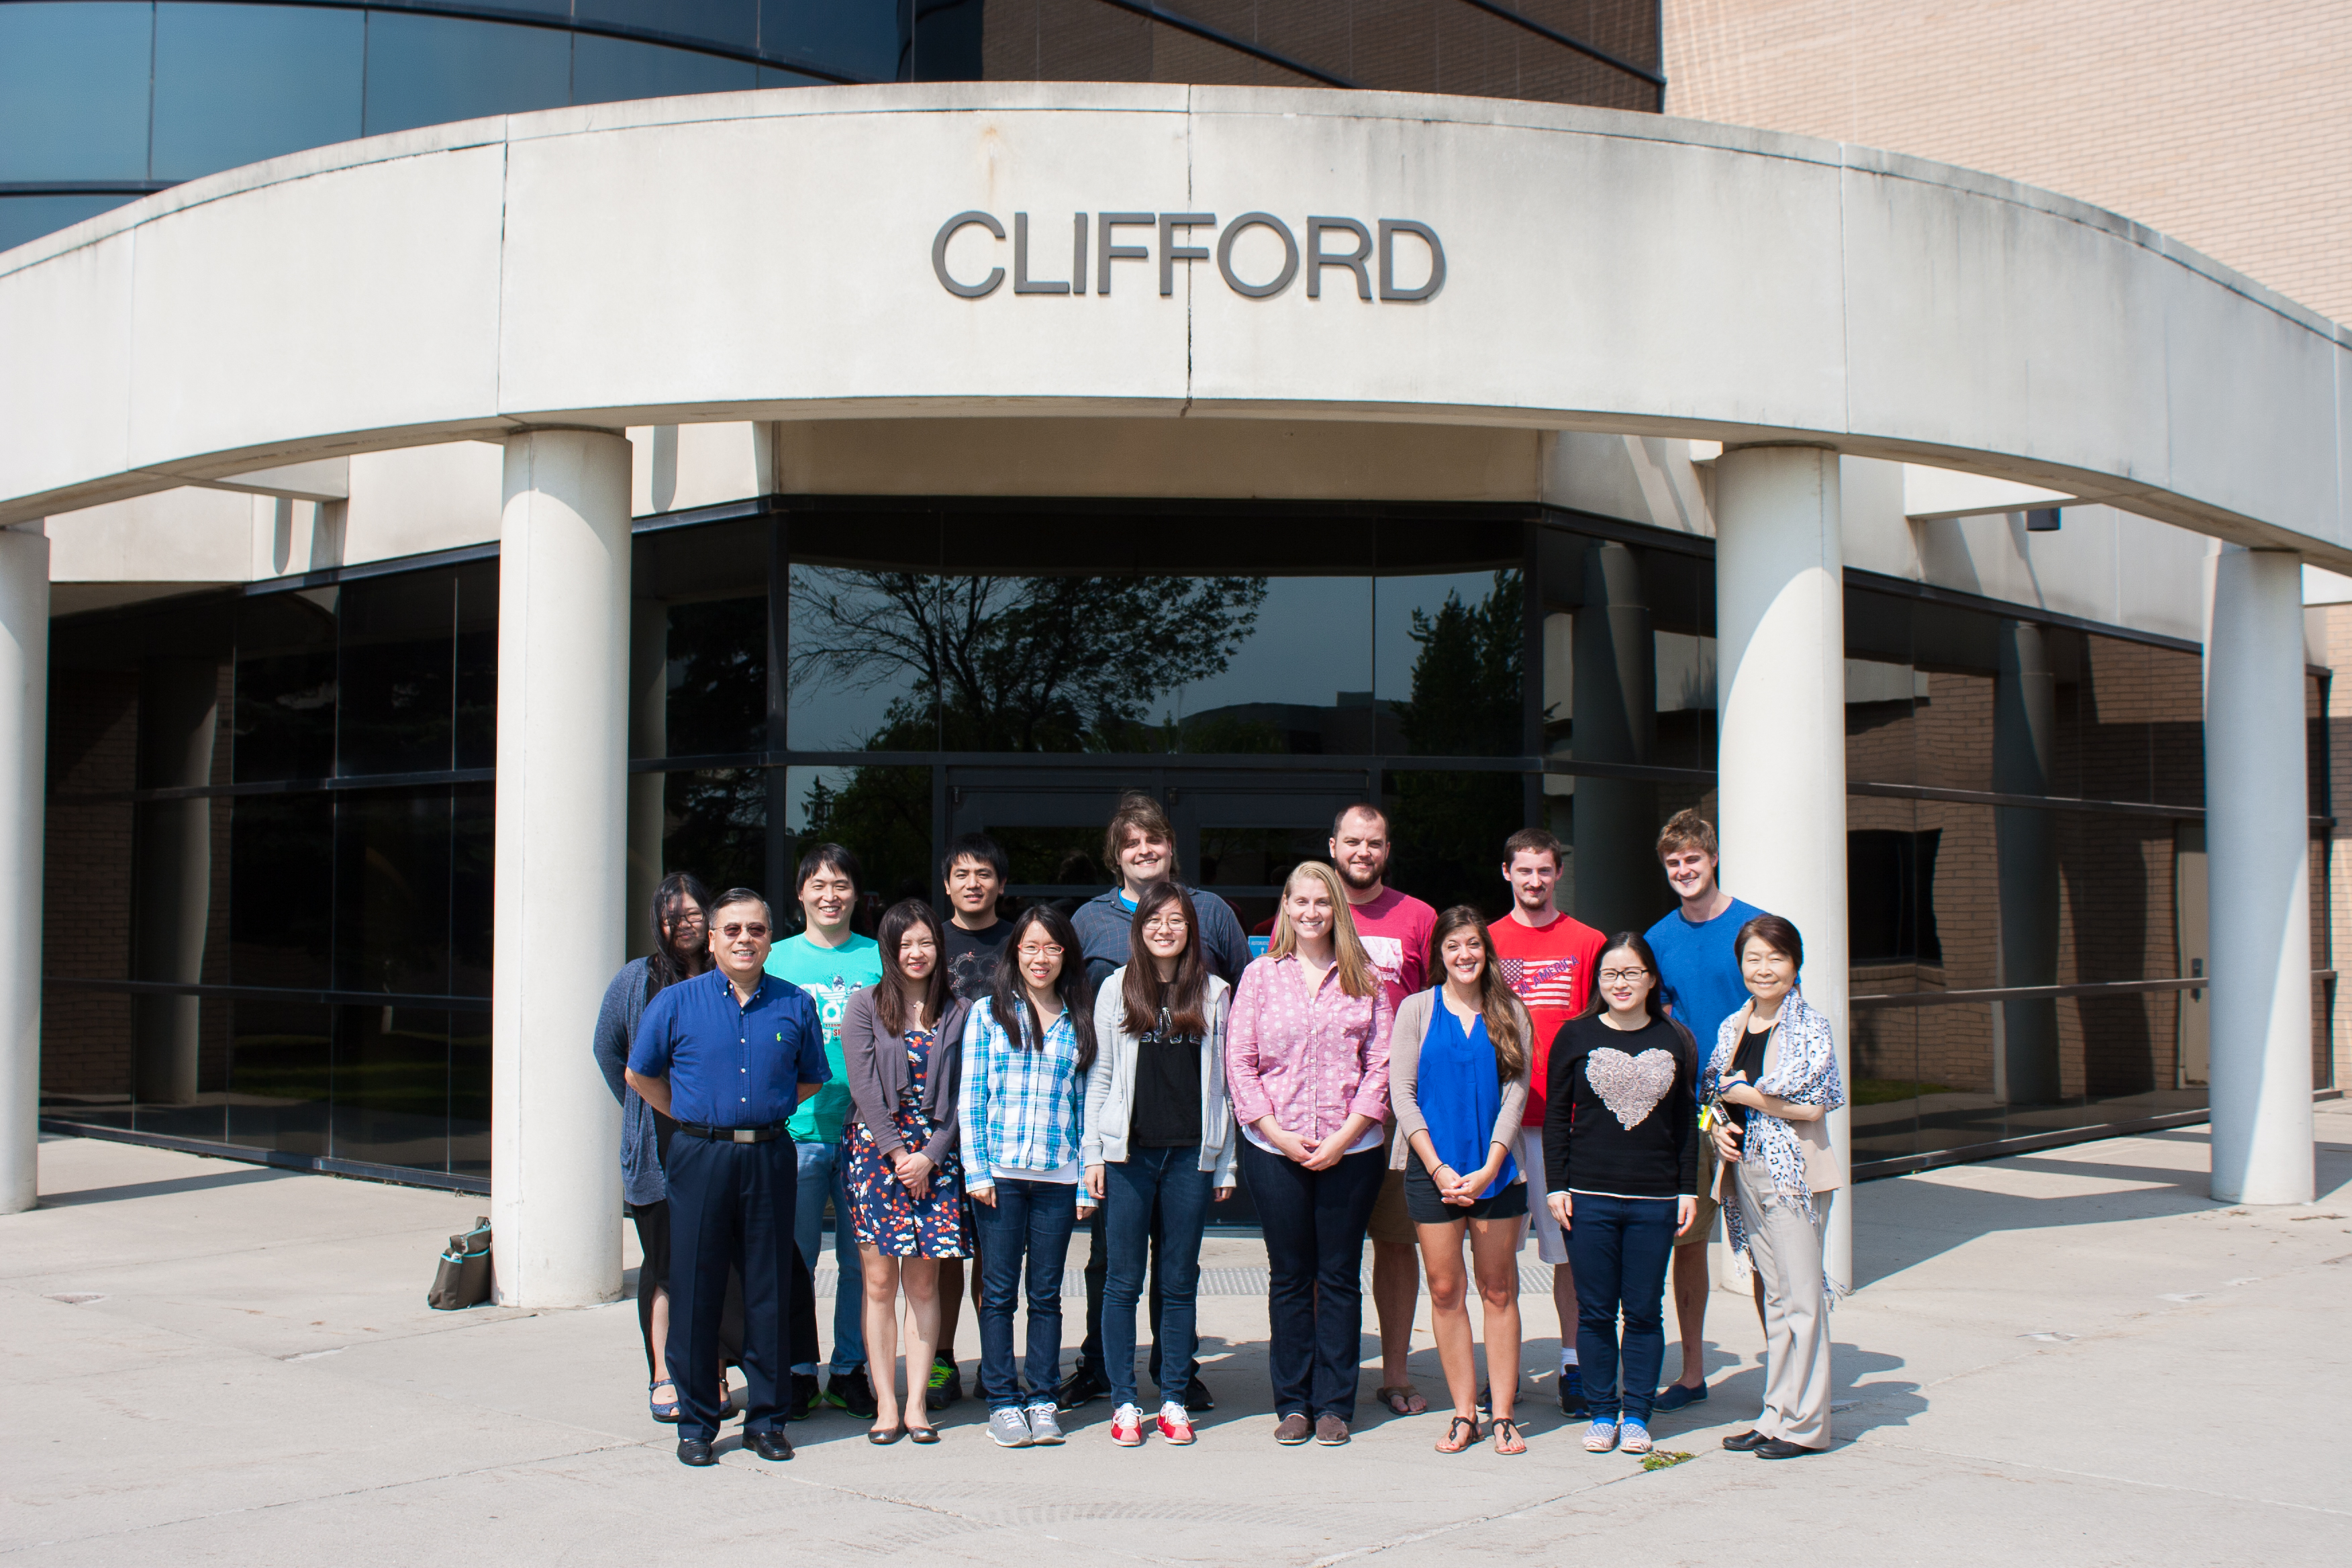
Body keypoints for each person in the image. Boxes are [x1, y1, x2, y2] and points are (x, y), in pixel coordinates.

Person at [624, 888, 829, 1467]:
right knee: (695, 1285)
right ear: (712, 939)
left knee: (767, 1286)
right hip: (699, 1156)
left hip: (767, 1154)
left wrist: (756, 1110)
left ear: (770, 937)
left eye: (757, 930)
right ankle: (697, 1423)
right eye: (733, 929)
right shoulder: (676, 1002)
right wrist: (694, 1116)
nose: (745, 939)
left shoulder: (794, 1003)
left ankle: (768, 1420)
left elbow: (810, 1079)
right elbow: (641, 1075)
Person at [1065, 791, 1249, 1412]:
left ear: (1171, 846)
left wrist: (1228, 1151)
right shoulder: (1090, 923)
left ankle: (1178, 1372)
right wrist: (1092, 1142)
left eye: (1154, 840)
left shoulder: (1213, 914)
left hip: (1189, 1135)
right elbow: (1085, 1037)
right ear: (1116, 856)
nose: (1145, 851)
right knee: (1111, 1267)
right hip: (1125, 1130)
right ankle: (1101, 1369)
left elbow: (1241, 1016)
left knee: (1178, 1270)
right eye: (1131, 843)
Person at [1226, 860, 1394, 1447]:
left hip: (1353, 1150)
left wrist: (1346, 1136)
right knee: (1291, 1278)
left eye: (1322, 903)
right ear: (1287, 907)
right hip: (1276, 1149)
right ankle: (1294, 1402)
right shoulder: (1259, 976)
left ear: (1337, 910)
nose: (1311, 913)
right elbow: (1239, 1063)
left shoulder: (1366, 977)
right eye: (1301, 902)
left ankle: (1334, 1406)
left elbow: (1382, 1064)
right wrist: (1277, 1133)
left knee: (1340, 1276)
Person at [1083, 881, 1238, 1448]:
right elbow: (1098, 1078)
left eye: (1176, 920)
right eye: (1154, 920)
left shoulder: (1215, 992)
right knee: (1122, 1282)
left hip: (1189, 1158)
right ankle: (1124, 1401)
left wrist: (1225, 1166)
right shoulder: (1116, 988)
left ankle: (1174, 1396)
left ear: (1190, 928)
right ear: (1139, 927)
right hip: (1129, 1156)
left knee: (1179, 1282)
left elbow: (1224, 1085)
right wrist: (1092, 1157)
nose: (1165, 929)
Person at [1545, 932, 1699, 1457]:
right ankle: (1601, 1410)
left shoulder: (1676, 1038)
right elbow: (1554, 1121)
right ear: (1598, 982)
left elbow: (1685, 1123)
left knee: (1643, 1311)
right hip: (1588, 1196)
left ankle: (1637, 1414)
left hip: (1654, 1200)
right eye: (1610, 974)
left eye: (1632, 973)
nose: (1621, 983)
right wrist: (1556, 1186)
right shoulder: (1575, 1036)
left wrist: (1688, 1190)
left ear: (1651, 978)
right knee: (1593, 1312)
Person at [1388, 907, 1533, 1456]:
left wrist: (1493, 1163)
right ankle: (1463, 1413)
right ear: (1439, 955)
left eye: (1473, 944)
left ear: (1486, 951)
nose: (1464, 955)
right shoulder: (1416, 1010)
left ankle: (1502, 1416)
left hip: (1496, 1174)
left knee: (1499, 1290)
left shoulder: (1510, 1011)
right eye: (1453, 946)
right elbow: (1402, 1093)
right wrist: (1439, 1167)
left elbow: (1516, 1093)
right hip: (1434, 1173)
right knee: (1446, 1291)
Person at [1641, 809, 1769, 1412]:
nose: (1684, 870)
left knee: (1769, 1245)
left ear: (1713, 859)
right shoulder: (1660, 939)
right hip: (1694, 1115)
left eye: (1693, 859)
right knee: (1688, 1241)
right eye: (1674, 863)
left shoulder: (1755, 930)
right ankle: (1692, 1373)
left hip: (1756, 1110)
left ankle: (1786, 1376)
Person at [959, 905, 1099, 1449]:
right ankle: (1002, 1399)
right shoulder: (989, 1013)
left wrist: (1087, 1180)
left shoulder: (1077, 1016)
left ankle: (1042, 1397)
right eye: (1031, 947)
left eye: (1053, 948)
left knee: (1045, 1294)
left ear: (1067, 955)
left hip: (1058, 1178)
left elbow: (1085, 1105)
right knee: (998, 1294)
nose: (1041, 959)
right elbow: (972, 1097)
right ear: (1015, 953)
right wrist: (977, 1172)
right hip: (1000, 1175)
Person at [1706, 914, 1845, 1460]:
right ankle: (1775, 1414)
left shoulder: (1811, 1027)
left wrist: (1745, 1098)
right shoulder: (1733, 1026)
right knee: (1779, 1297)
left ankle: (1807, 1425)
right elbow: (1716, 1096)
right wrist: (1717, 1128)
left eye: (1776, 958)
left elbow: (1814, 1103)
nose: (1764, 970)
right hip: (1748, 1172)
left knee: (1804, 1300)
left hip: (1795, 1177)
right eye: (1754, 959)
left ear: (1796, 964)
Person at [840, 899, 974, 1444]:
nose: (915, 953)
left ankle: (918, 1406)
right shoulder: (865, 1005)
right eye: (904, 944)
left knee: (923, 1283)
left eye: (925, 942)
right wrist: (900, 1155)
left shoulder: (963, 1010)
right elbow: (865, 1087)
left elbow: (970, 1092)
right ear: (889, 951)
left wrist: (933, 1154)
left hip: (937, 1160)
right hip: (877, 1157)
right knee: (877, 1283)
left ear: (938, 948)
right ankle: (886, 1406)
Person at [1484, 827, 1607, 1414]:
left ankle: (1573, 1364)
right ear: (1506, 873)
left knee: (1568, 1256)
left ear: (1558, 874)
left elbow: (1601, 1031)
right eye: (1523, 870)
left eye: (1544, 870)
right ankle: (1503, 1368)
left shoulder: (1588, 943)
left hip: (1568, 1124)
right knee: (1496, 1255)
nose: (1534, 880)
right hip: (1501, 1125)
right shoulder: (1483, 942)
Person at [1328, 803, 1440, 1421]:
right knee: (1327, 1247)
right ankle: (1322, 1368)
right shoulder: (1312, 907)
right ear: (1333, 845)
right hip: (1322, 1103)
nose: (1362, 851)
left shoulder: (1418, 918)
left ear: (1386, 849)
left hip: (1399, 1107)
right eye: (1352, 841)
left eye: (1374, 842)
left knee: (1396, 1243)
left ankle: (1394, 1373)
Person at [766, 842, 882, 1420]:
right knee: (796, 1259)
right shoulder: (777, 958)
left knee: (863, 1261)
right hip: (798, 1131)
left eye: (840, 885)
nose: (829, 896)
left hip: (864, 1132)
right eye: (818, 885)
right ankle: (795, 1370)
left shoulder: (878, 957)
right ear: (800, 893)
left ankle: (849, 1369)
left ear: (855, 894)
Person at [932, 832, 1014, 1410]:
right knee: (942, 1249)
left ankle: (995, 1359)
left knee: (995, 1250)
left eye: (983, 874)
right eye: (962, 874)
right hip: (937, 1113)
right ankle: (939, 1360)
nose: (972, 884)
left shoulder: (1019, 942)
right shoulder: (929, 941)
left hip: (1003, 1114)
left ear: (1000, 885)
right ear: (947, 884)